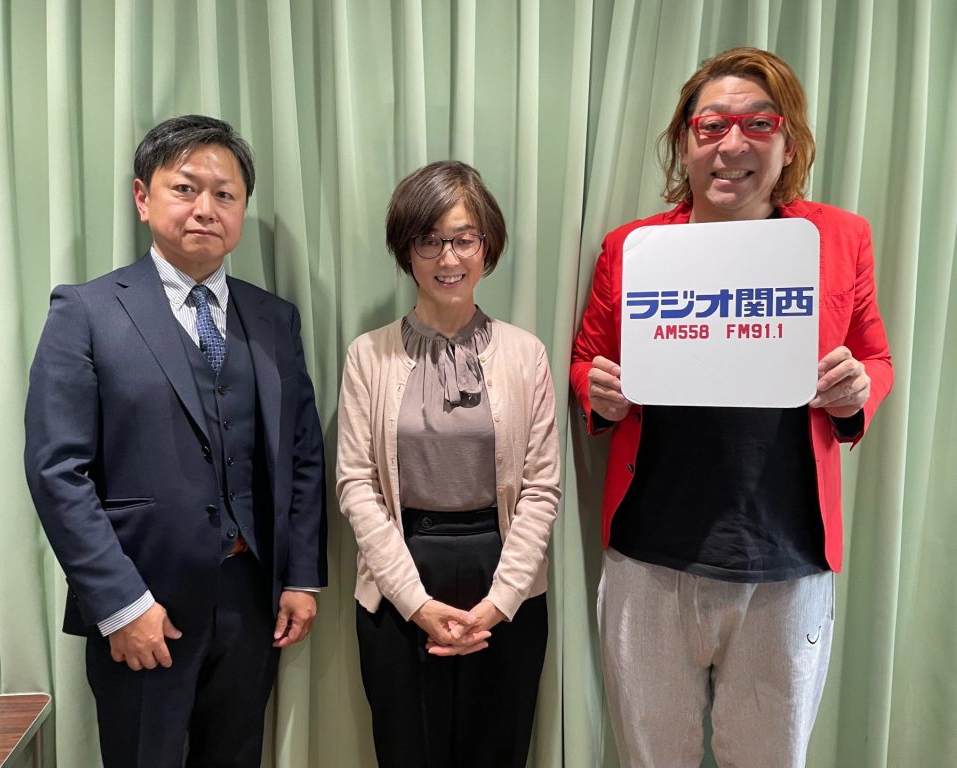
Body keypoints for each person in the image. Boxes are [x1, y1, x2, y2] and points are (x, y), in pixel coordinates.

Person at [570, 47, 893, 767]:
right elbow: (586, 357)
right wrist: (597, 389)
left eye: (759, 124)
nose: (733, 144)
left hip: (787, 558)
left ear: (789, 144)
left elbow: (876, 358)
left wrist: (858, 391)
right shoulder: (632, 248)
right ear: (685, 143)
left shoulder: (840, 239)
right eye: (711, 125)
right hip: (650, 555)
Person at [24, 115, 326, 768]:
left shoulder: (274, 318)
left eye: (225, 194)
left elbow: (303, 455)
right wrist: (120, 605)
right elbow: (57, 472)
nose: (205, 208)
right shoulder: (86, 311)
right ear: (143, 198)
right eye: (185, 188)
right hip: (142, 603)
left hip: (252, 600)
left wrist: (301, 577)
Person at [336, 161, 561, 768]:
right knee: (407, 751)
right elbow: (356, 485)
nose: (448, 258)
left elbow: (542, 489)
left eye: (464, 239)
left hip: (507, 576)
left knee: (498, 751)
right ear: (406, 250)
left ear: (488, 245)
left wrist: (500, 601)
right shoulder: (368, 355)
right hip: (399, 577)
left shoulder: (526, 353)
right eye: (428, 240)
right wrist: (415, 602)